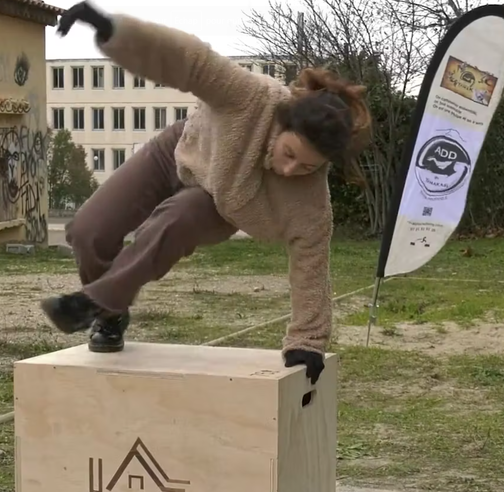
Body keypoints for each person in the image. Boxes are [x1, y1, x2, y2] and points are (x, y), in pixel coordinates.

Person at [41, 1, 372, 385]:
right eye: (289, 154)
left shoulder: (310, 201)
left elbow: (311, 265)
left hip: (220, 203)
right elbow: (188, 58)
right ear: (284, 124)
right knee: (88, 230)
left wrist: (308, 341)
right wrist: (111, 29)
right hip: (182, 151)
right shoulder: (251, 96)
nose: (290, 170)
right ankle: (110, 313)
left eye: (307, 167)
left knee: (176, 219)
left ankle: (98, 303)